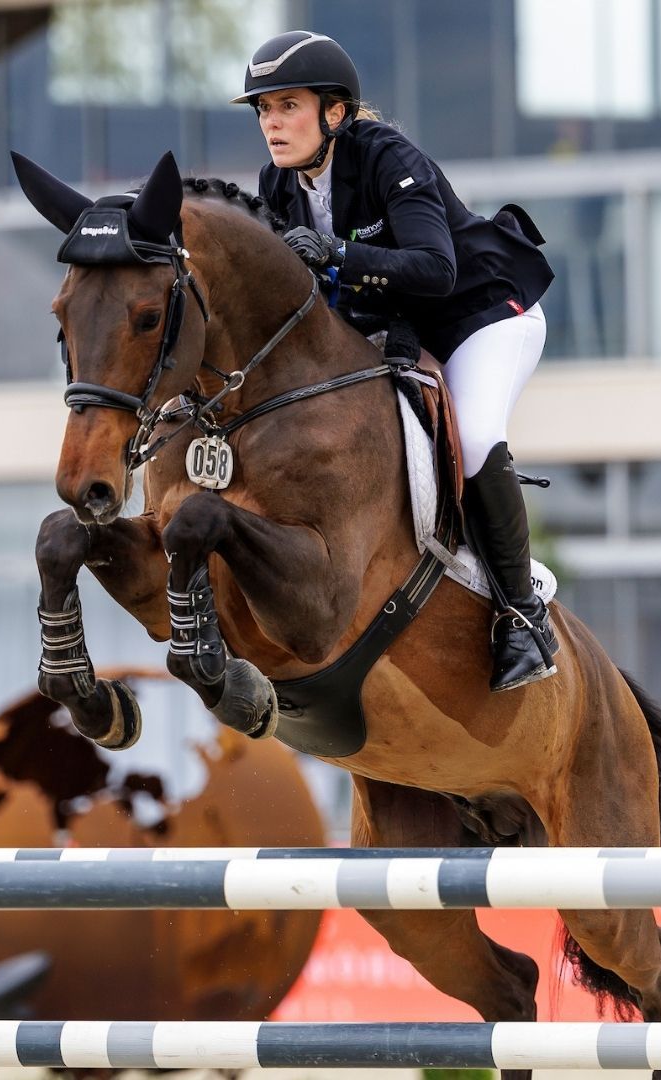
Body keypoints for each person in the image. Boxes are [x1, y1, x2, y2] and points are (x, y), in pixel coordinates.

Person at [235, 31, 559, 692]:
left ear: (335, 112)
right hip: (401, 332)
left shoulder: (386, 157)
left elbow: (437, 270)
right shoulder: (278, 183)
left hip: (484, 317)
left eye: (287, 105)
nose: (271, 123)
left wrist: (335, 254)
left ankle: (524, 618)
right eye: (263, 109)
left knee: (472, 435)